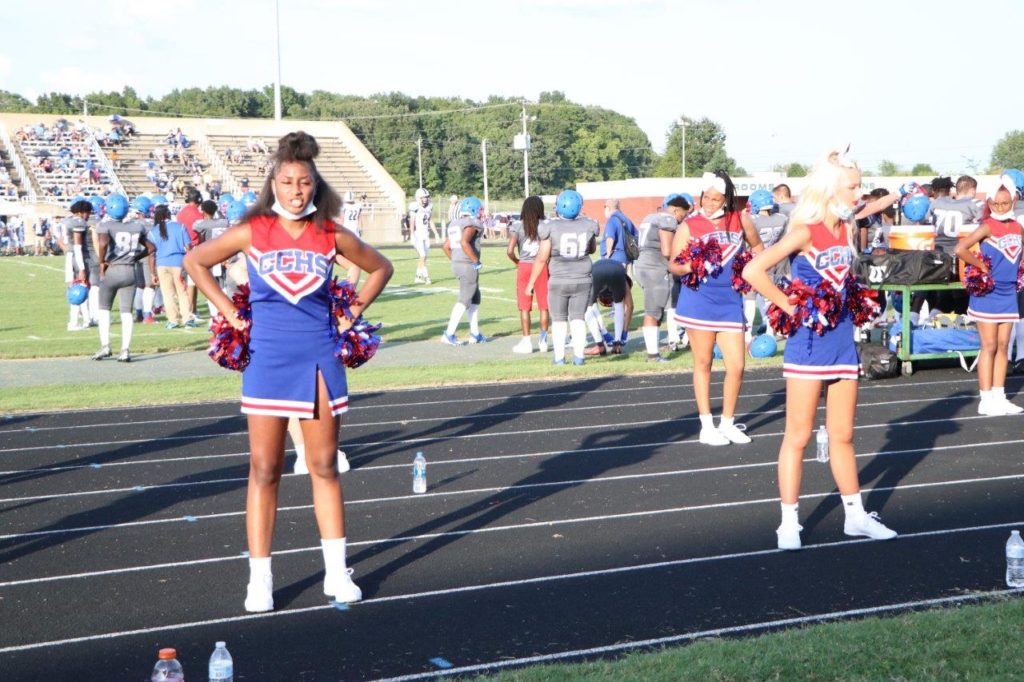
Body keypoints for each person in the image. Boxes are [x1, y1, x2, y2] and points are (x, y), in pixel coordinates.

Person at [184, 132, 393, 612]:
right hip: (267, 360)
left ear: (315, 185)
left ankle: (336, 573)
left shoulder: (331, 234)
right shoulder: (253, 230)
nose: (296, 191)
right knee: (264, 469)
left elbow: (380, 267)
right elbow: (196, 261)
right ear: (273, 184)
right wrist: (229, 312)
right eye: (287, 182)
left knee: (323, 466)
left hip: (318, 357)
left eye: (303, 182)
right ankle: (260, 580)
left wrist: (353, 311)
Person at [743, 146, 898, 550]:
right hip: (809, 346)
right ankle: (788, 523)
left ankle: (855, 517)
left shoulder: (846, 229)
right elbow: (754, 270)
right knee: (797, 436)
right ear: (830, 190)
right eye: (852, 187)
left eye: (859, 186)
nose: (858, 193)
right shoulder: (805, 230)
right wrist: (788, 304)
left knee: (843, 435)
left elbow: (865, 217)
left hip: (843, 342)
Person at [669, 172, 763, 445]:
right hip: (698, 301)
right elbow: (673, 264)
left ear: (727, 199)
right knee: (704, 362)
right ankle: (707, 425)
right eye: (706, 198)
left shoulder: (740, 220)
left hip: (730, 301)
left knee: (737, 365)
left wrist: (749, 268)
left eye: (716, 199)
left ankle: (728, 423)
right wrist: (691, 266)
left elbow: (758, 247)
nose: (709, 203)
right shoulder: (690, 224)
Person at [955, 174, 1023, 416]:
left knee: (1004, 346)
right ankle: (985, 399)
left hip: (1008, 293)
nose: (1001, 207)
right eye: (996, 203)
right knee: (989, 345)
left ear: (1013, 201)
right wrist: (981, 266)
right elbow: (960, 249)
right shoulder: (987, 226)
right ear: (990, 203)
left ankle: (999, 396)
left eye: (1006, 203)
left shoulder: (1018, 227)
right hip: (988, 293)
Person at [526, 190, 598, 365]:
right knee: (578, 318)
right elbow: (592, 249)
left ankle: (559, 358)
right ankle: (579, 357)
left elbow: (542, 258)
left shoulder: (550, 226)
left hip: (559, 279)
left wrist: (530, 283)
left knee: (559, 319)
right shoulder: (588, 224)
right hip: (582, 278)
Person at [93, 193, 154, 362]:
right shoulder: (137, 226)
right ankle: (125, 350)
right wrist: (134, 257)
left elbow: (103, 243)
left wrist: (102, 262)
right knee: (126, 312)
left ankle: (105, 346)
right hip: (129, 270)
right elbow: (151, 248)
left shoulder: (104, 225)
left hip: (112, 269)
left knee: (104, 309)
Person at [633, 195, 690, 361]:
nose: (683, 218)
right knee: (653, 312)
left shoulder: (650, 217)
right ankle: (652, 355)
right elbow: (667, 251)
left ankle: (655, 352)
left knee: (656, 311)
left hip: (644, 266)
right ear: (676, 210)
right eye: (683, 214)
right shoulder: (667, 219)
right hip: (655, 269)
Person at [440, 196, 487, 345]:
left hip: (458, 263)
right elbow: (464, 242)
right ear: (473, 210)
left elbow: (446, 246)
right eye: (480, 209)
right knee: (465, 299)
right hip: (467, 265)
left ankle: (475, 333)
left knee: (475, 298)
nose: (481, 212)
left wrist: (456, 259)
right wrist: (475, 261)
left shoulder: (455, 223)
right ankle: (449, 334)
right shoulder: (472, 223)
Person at [507, 196, 550, 354]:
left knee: (524, 307)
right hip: (542, 266)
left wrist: (517, 262)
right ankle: (543, 341)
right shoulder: (546, 225)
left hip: (525, 266)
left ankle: (526, 342)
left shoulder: (517, 226)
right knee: (544, 306)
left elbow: (510, 251)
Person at [747, 189, 789, 336]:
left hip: (754, 262)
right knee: (769, 298)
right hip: (772, 261)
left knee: (749, 298)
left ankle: (747, 333)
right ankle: (771, 331)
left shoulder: (751, 220)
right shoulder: (782, 218)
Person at [148, 204, 193, 329]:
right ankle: (187, 318)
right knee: (182, 292)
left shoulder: (153, 232)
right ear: (168, 214)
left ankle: (173, 320)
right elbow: (189, 247)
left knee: (168, 294)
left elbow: (151, 254)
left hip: (161, 264)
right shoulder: (180, 227)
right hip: (178, 262)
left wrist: (152, 273)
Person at [600, 199, 637, 344]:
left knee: (616, 301)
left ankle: (615, 337)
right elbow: (636, 236)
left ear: (608, 207)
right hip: (625, 260)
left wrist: (607, 257)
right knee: (627, 301)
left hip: (614, 261)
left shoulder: (612, 220)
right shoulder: (626, 219)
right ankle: (623, 334)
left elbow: (610, 238)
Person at [583, 259, 630, 357]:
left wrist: (605, 333)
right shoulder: (624, 280)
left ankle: (600, 345)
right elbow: (629, 306)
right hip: (617, 271)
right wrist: (622, 335)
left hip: (596, 271)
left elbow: (593, 308)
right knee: (618, 305)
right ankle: (617, 344)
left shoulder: (623, 281)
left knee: (587, 308)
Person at [60, 200, 94, 330]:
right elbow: (78, 247)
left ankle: (86, 320)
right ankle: (73, 322)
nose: (88, 215)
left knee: (80, 288)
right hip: (77, 257)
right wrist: (82, 268)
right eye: (87, 212)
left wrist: (66, 250)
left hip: (70, 256)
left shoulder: (67, 220)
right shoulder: (78, 222)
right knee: (78, 290)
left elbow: (60, 239)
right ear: (81, 212)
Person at [339, 191, 364, 286]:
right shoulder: (358, 206)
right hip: (355, 232)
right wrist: (361, 229)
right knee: (355, 256)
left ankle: (351, 272)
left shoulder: (344, 206)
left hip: (346, 231)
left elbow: (342, 219)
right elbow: (360, 220)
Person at [410, 188, 433, 284]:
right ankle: (426, 277)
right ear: (418, 198)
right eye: (423, 197)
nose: (425, 199)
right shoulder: (415, 207)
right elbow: (412, 222)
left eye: (426, 197)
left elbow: (430, 220)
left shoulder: (429, 207)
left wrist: (436, 233)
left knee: (423, 257)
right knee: (422, 256)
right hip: (418, 235)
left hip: (426, 235)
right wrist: (412, 234)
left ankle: (418, 277)